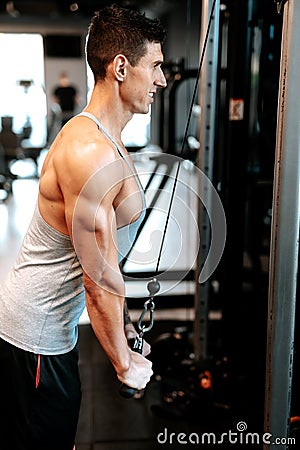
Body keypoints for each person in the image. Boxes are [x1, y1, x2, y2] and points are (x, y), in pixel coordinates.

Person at [0, 5, 167, 450]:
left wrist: (126, 328)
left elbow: (110, 257)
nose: (162, 80)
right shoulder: (89, 151)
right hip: (34, 337)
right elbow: (96, 277)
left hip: (56, 330)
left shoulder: (111, 141)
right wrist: (123, 363)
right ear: (120, 67)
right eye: (155, 67)